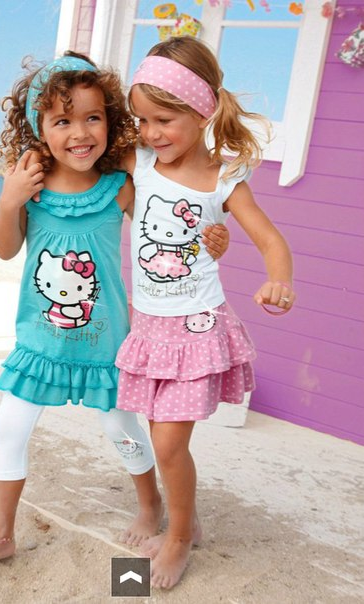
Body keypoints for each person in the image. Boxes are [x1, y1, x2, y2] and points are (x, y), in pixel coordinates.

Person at [0, 51, 229, 576]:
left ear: (110, 120)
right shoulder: (28, 187)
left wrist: (212, 238)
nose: (80, 132)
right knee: (10, 426)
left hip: (109, 345)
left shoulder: (120, 187)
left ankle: (151, 505)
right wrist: (8, 202)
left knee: (122, 429)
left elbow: (169, 230)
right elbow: (5, 250)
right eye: (62, 121)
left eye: (92, 117)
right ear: (39, 129)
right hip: (40, 344)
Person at [114, 36, 296, 590]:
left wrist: (278, 280)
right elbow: (82, 145)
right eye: (142, 120)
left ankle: (178, 538)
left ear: (203, 112)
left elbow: (271, 241)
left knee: (170, 444)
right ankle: (183, 522)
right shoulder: (139, 161)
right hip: (148, 327)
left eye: (163, 120)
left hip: (197, 329)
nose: (150, 133)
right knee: (157, 438)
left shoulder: (224, 180)